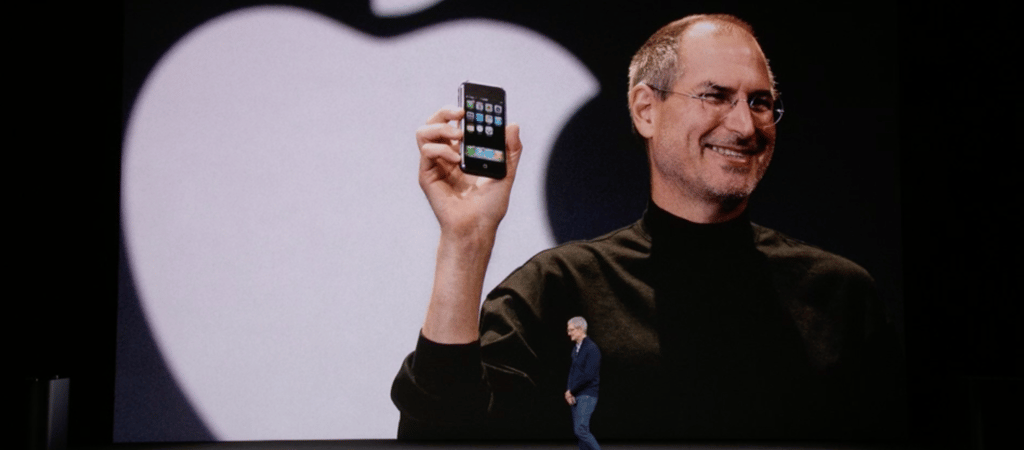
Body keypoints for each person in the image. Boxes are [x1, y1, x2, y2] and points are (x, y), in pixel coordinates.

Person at [391, 13, 903, 441]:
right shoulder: (557, 289)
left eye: (760, 102)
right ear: (645, 110)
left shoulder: (839, 294)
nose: (745, 125)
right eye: (715, 95)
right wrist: (466, 240)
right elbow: (439, 435)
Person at [565, 317, 601, 450]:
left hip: (587, 395)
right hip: (575, 394)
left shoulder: (592, 348)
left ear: (580, 329)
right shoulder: (576, 349)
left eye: (571, 330)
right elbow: (572, 372)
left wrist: (571, 391)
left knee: (580, 430)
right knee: (580, 433)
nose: (569, 333)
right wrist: (568, 391)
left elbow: (588, 376)